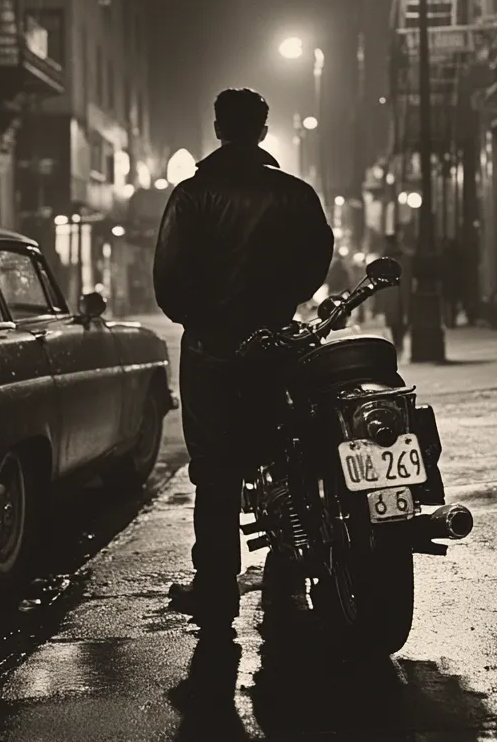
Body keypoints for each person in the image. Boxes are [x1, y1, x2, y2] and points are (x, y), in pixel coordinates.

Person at [153, 87, 334, 630]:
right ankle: (289, 569)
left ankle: (216, 591)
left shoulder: (191, 195)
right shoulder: (296, 195)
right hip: (277, 342)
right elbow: (316, 263)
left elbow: (169, 279)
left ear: (217, 129)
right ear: (263, 131)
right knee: (287, 452)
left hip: (211, 349)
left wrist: (203, 320)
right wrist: (283, 305)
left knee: (215, 471)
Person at [376, 233, 413, 356]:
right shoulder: (403, 258)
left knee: (394, 323)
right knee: (399, 323)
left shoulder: (385, 259)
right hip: (400, 294)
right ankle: (399, 346)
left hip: (392, 295)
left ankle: (398, 346)